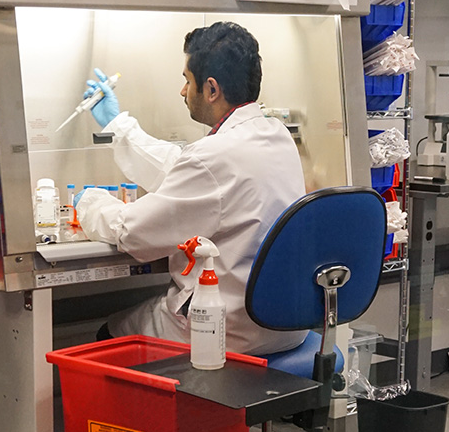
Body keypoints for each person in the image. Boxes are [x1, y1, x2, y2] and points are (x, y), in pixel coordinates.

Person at [75, 21, 307, 356]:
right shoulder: (274, 134)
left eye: (187, 81)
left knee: (109, 334)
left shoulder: (213, 157)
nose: (182, 91)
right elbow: (188, 170)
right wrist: (118, 126)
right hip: (285, 325)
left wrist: (90, 203)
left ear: (211, 89)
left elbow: (133, 232)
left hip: (227, 330)